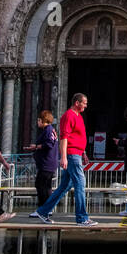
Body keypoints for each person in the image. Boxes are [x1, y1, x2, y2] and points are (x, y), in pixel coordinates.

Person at [31, 93, 95, 226]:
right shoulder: (68, 116)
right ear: (77, 103)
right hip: (72, 155)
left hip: (77, 153)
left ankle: (43, 211)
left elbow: (79, 137)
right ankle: (82, 218)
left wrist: (83, 152)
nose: (86, 105)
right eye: (84, 103)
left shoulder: (79, 117)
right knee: (80, 184)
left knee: (65, 186)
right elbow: (64, 137)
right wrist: (64, 157)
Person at [24, 110, 58, 207]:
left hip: (46, 164)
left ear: (44, 120)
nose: (37, 122)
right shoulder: (50, 130)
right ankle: (47, 208)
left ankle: (43, 208)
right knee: (46, 186)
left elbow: (49, 144)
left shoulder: (48, 130)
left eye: (39, 120)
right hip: (48, 164)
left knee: (41, 185)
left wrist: (36, 147)